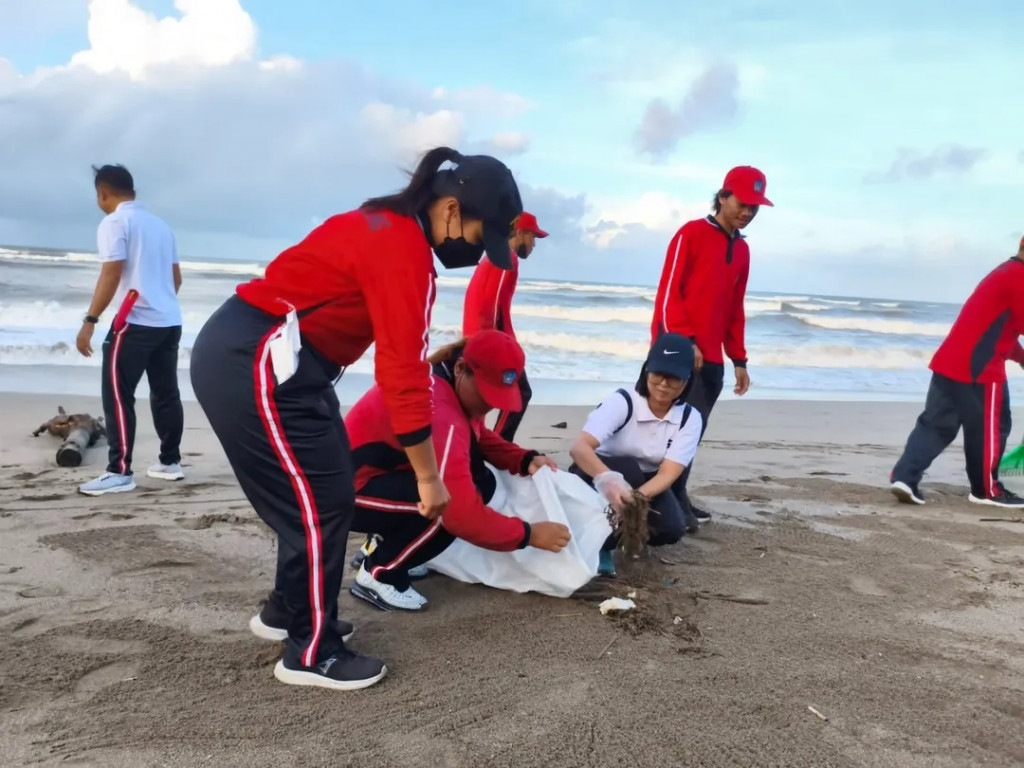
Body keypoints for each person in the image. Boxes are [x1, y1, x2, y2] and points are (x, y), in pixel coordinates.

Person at [188, 148, 524, 691]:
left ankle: (287, 612)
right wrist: (427, 476)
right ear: (451, 210)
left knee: (328, 493)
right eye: (478, 236)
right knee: (318, 505)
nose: (473, 252)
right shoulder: (403, 249)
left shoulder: (384, 222)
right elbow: (402, 371)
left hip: (286, 363)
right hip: (256, 357)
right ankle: (312, 653)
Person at [343, 330, 570, 611]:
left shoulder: (449, 382)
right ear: (461, 368)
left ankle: (392, 548)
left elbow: (476, 435)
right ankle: (379, 573)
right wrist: (529, 535)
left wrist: (523, 459)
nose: (490, 404)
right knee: (444, 505)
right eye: (487, 394)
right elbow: (461, 516)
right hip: (344, 495)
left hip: (373, 476)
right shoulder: (442, 410)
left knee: (481, 483)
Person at [650, 165, 772, 523]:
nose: (748, 212)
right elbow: (669, 293)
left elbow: (735, 308)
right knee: (660, 429)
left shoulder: (743, 250)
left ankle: (677, 495)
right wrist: (686, 341)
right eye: (742, 203)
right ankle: (656, 499)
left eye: (754, 207)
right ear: (722, 197)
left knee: (692, 431)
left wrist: (739, 359)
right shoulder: (691, 233)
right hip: (675, 352)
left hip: (712, 358)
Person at [890, 237, 1024, 509]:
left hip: (950, 361)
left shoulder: (1003, 273)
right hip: (980, 368)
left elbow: (998, 329)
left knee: (936, 425)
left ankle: (904, 477)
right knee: (991, 428)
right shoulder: (1019, 278)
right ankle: (986, 491)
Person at [77, 164, 185, 496]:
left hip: (135, 324)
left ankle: (119, 471)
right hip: (170, 321)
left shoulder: (114, 222)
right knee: (166, 393)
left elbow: (111, 273)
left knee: (118, 396)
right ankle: (170, 462)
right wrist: (158, 302)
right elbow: (176, 279)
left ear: (102, 193)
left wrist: (90, 320)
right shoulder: (160, 226)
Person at [569, 333, 703, 576]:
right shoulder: (623, 402)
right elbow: (580, 448)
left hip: (645, 482)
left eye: (674, 378)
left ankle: (627, 536)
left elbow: (668, 473)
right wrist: (610, 481)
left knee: (672, 528)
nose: (663, 383)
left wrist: (635, 500)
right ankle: (601, 545)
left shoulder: (689, 418)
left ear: (686, 381)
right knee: (627, 467)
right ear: (646, 370)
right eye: (658, 373)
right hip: (594, 475)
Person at [462, 211, 548, 441]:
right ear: (520, 233)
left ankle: (483, 445)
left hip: (479, 338)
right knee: (519, 393)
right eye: (532, 237)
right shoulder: (506, 258)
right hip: (488, 342)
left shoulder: (495, 255)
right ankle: (498, 446)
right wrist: (493, 347)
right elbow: (490, 304)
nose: (533, 244)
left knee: (483, 399)